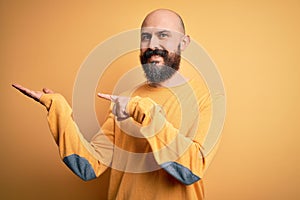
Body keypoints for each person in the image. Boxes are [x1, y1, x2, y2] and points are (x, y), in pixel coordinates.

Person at [13, 9, 217, 200]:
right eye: (146, 37)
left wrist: (143, 111)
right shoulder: (124, 99)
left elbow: (192, 169)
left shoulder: (207, 98)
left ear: (183, 43)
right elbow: (89, 166)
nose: (152, 45)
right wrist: (58, 109)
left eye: (163, 35)